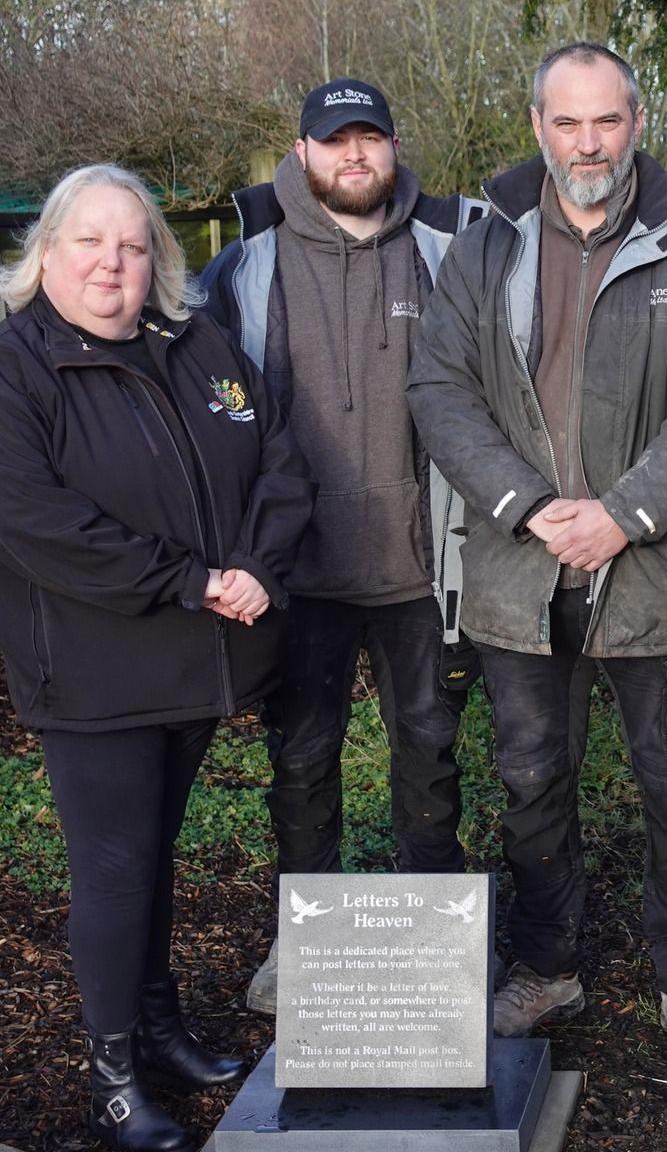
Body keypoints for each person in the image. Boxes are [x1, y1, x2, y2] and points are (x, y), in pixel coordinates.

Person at [0, 165, 312, 1150]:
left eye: (134, 243)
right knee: (114, 866)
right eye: (88, 242)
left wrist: (256, 564)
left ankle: (158, 1029)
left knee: (154, 855)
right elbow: (40, 527)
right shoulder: (4, 374)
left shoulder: (197, 348)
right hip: (95, 675)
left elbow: (277, 457)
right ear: (46, 255)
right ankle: (113, 1072)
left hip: (198, 663)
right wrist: (190, 579)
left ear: (158, 260)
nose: (112, 262)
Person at [406, 42, 667, 1071]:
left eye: (606, 122)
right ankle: (548, 964)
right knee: (531, 775)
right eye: (566, 122)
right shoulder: (483, 244)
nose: (586, 143)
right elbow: (436, 391)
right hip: (521, 564)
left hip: (657, 570)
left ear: (636, 124)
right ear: (536, 126)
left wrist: (628, 512)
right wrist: (530, 506)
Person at [200, 78, 488, 1015]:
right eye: (336, 141)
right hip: (299, 571)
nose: (354, 156)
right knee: (300, 762)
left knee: (430, 757)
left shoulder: (449, 251)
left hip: (421, 568)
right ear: (302, 150)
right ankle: (302, 943)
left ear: (395, 148)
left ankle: (437, 945)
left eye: (371, 139)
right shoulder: (245, 266)